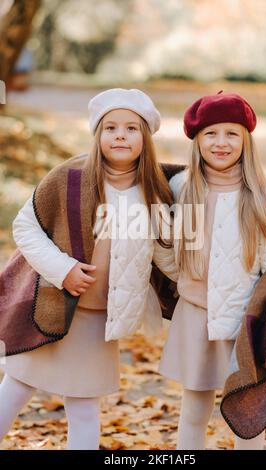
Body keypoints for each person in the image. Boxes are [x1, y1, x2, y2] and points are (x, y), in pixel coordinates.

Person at [0, 88, 178, 450]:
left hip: (98, 318)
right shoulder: (71, 175)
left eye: (131, 128)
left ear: (146, 137)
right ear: (97, 134)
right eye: (110, 127)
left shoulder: (154, 191)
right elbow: (25, 226)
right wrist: (63, 269)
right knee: (16, 388)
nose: (120, 136)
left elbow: (163, 254)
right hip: (53, 306)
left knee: (83, 407)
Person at [158, 91, 266, 450]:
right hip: (195, 317)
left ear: (246, 141)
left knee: (247, 416)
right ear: (197, 140)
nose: (221, 143)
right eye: (211, 134)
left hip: (244, 321)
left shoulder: (265, 197)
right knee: (193, 411)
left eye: (231, 134)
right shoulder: (179, 189)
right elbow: (169, 254)